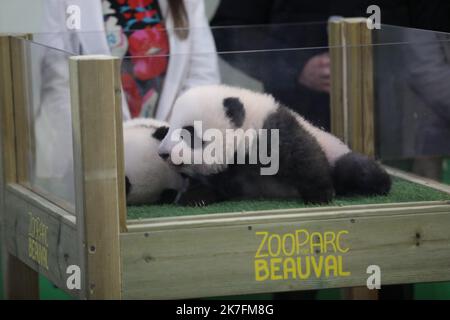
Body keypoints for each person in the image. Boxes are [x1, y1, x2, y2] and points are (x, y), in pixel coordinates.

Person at [33, 0, 220, 203]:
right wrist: (103, 153)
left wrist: (162, 146)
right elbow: (59, 86)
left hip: (169, 166)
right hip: (91, 162)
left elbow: (203, 80)